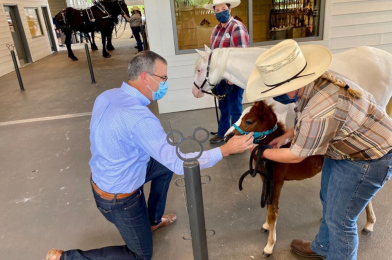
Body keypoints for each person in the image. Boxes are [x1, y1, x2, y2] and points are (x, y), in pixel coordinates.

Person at [46, 51, 254, 260]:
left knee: (163, 166)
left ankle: (153, 220)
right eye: (163, 78)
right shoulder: (139, 118)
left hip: (104, 178)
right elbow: (181, 163)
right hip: (119, 199)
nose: (165, 84)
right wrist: (225, 150)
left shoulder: (107, 96)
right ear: (145, 77)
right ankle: (66, 258)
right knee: (141, 255)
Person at [246, 39, 392, 260]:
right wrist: (285, 136)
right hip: (344, 146)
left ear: (293, 84)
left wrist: (260, 151)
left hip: (369, 157)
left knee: (340, 220)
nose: (275, 95)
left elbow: (296, 155)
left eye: (278, 89)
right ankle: (323, 247)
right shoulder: (313, 84)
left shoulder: (320, 108)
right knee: (328, 199)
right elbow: (302, 119)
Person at [203, 0, 249, 144]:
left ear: (229, 9)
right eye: (217, 10)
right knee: (223, 106)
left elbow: (241, 55)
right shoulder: (215, 30)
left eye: (223, 9)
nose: (220, 12)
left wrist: (233, 76)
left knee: (235, 107)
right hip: (220, 76)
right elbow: (214, 53)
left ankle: (237, 138)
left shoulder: (237, 27)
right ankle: (223, 132)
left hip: (233, 77)